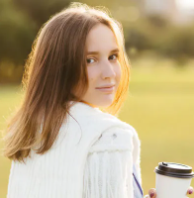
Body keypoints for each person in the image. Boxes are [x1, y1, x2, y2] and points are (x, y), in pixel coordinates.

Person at [2, 2, 193, 198]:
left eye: (113, 56)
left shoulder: (31, 128)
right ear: (59, 66)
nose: (109, 73)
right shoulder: (108, 137)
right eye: (90, 60)